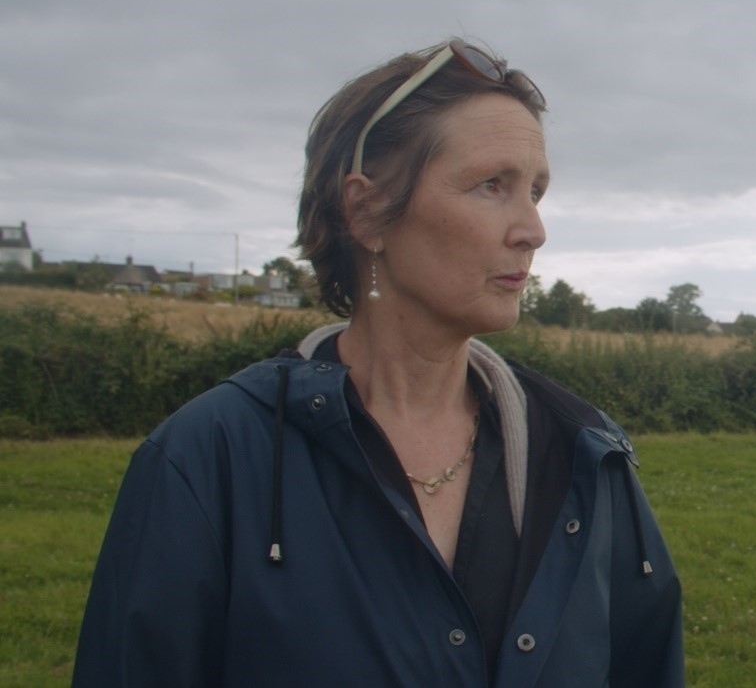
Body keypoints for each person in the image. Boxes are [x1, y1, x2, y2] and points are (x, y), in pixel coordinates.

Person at [73, 39, 684, 687]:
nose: (533, 229)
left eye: (535, 191)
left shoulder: (584, 455)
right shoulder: (210, 458)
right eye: (491, 185)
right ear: (365, 211)